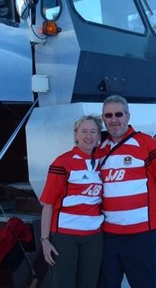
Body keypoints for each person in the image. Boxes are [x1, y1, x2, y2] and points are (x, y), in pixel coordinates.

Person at [98, 95, 156, 288]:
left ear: (128, 116)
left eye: (119, 114)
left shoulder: (146, 143)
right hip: (109, 236)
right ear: (103, 118)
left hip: (142, 235)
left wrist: (151, 207)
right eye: (108, 115)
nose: (114, 119)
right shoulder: (99, 149)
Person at [40, 115, 104, 288]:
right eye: (84, 131)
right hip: (65, 235)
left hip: (94, 236)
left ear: (99, 136)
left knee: (89, 283)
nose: (88, 136)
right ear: (75, 135)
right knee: (64, 283)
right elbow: (48, 204)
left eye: (93, 131)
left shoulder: (102, 161)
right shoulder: (62, 162)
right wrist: (45, 240)